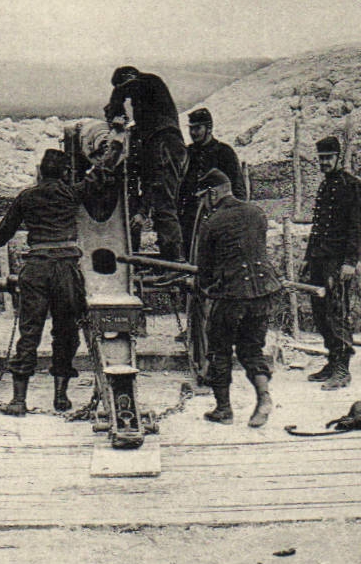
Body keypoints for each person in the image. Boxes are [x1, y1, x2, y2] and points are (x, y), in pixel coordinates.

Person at [0, 148, 112, 416]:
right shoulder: (72, 193)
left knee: (30, 331)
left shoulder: (27, 196)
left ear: (39, 171)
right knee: (66, 331)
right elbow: (101, 177)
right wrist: (109, 151)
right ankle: (60, 396)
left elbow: (2, 234)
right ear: (64, 173)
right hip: (66, 269)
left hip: (37, 269)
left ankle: (18, 400)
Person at [191, 169, 281, 427]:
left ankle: (223, 410)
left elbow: (205, 270)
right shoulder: (256, 213)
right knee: (252, 349)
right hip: (262, 294)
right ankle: (264, 398)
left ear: (213, 193)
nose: (203, 204)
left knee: (219, 351)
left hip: (231, 297)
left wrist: (203, 287)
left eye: (204, 198)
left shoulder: (212, 222)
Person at [104, 66, 188, 262]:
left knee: (164, 206)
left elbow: (128, 87)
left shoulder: (150, 82)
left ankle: (174, 263)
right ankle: (168, 260)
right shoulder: (146, 99)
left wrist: (116, 106)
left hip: (166, 146)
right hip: (157, 147)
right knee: (159, 202)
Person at [302, 136, 361, 390]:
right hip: (320, 259)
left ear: (339, 158)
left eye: (328, 158)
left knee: (337, 311)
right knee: (320, 313)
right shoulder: (325, 186)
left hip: (337, 262)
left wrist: (351, 261)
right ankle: (332, 360)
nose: (324, 162)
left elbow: (358, 227)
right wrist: (308, 259)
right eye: (321, 158)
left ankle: (342, 369)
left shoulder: (352, 186)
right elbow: (317, 228)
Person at [178, 107, 243, 248]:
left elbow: (237, 186)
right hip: (191, 217)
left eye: (197, 128)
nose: (193, 133)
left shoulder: (224, 152)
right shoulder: (188, 153)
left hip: (217, 215)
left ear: (209, 128)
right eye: (191, 128)